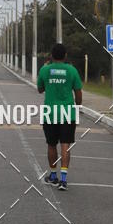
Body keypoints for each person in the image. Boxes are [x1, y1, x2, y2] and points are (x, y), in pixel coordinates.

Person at [37, 43, 83, 191]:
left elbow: (40, 89)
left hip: (50, 113)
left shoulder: (45, 70)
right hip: (67, 113)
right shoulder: (72, 70)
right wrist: (78, 106)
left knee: (51, 145)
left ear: (51, 55)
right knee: (65, 145)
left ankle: (53, 175)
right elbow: (78, 92)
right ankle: (63, 180)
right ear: (65, 56)